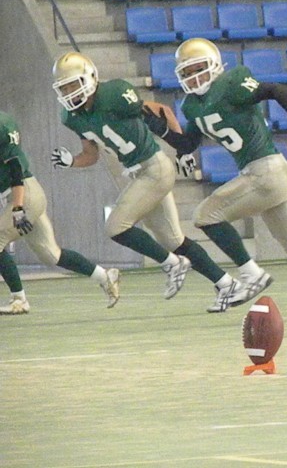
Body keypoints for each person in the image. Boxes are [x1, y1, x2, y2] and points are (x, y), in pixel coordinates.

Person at [141, 38, 287, 318]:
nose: (194, 78)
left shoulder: (231, 83)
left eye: (199, 69)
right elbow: (188, 143)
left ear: (215, 66)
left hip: (266, 172)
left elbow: (274, 90)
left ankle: (251, 274)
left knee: (205, 215)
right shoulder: (192, 105)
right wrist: (162, 131)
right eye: (188, 73)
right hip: (270, 175)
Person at [50, 51, 267, 313]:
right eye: (64, 88)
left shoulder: (114, 94)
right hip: (138, 173)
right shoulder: (71, 117)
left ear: (90, 78)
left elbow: (162, 111)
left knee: (115, 226)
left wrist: (183, 150)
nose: (70, 92)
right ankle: (226, 284)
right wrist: (71, 161)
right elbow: (91, 155)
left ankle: (171, 264)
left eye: (73, 84)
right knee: (175, 240)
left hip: (154, 168)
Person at [0, 110, 119, 314]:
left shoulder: (3, 124)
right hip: (20, 194)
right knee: (51, 254)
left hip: (24, 194)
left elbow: (15, 168)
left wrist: (18, 207)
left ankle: (19, 299)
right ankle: (105, 276)